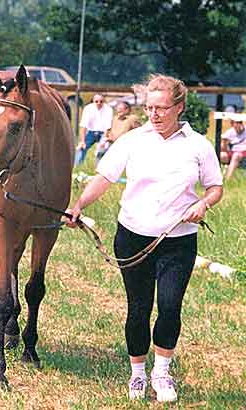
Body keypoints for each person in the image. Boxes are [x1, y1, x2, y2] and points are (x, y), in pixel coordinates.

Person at [65, 74, 223, 402]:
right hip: (132, 237)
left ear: (179, 107)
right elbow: (104, 177)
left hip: (178, 241)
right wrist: (79, 205)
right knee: (138, 308)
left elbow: (215, 187)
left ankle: (161, 373)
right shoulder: (133, 140)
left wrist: (202, 203)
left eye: (162, 108)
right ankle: (137, 374)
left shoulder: (198, 145)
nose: (154, 114)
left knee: (169, 305)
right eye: (150, 107)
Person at [74, 94, 113, 165]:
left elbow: (108, 127)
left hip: (103, 133)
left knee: (102, 150)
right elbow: (83, 126)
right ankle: (77, 165)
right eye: (96, 101)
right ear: (93, 101)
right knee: (82, 148)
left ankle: (99, 167)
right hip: (90, 132)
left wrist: (103, 140)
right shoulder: (88, 108)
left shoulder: (108, 109)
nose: (99, 103)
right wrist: (82, 141)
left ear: (104, 101)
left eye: (101, 101)